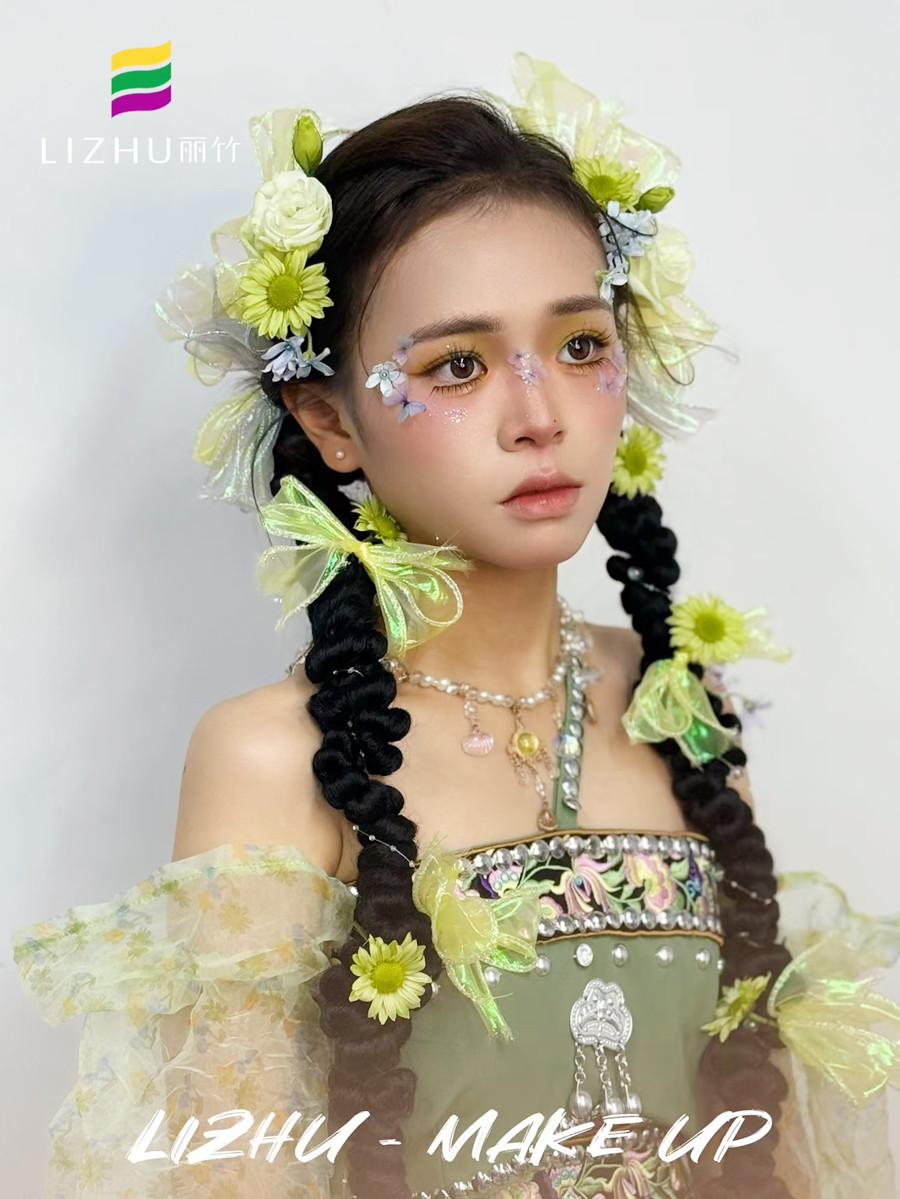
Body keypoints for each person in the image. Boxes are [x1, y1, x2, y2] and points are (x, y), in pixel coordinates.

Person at [12, 54, 900, 1199]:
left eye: (580, 345)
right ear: (329, 418)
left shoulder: (680, 704)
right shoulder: (272, 760)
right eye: (459, 364)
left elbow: (761, 1133)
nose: (538, 415)